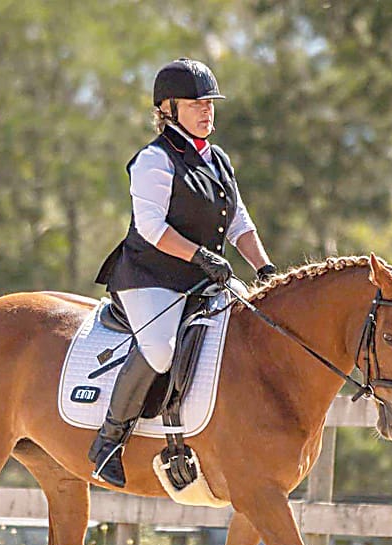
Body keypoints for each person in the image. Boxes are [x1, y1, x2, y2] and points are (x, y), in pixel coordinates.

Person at [89, 57, 277, 488]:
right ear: (168, 109)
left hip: (203, 277)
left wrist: (264, 267)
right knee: (159, 349)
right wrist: (201, 257)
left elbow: (239, 223)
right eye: (196, 103)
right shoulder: (153, 161)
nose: (207, 110)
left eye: (210, 102)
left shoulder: (218, 160)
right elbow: (152, 228)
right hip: (150, 277)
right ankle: (109, 442)